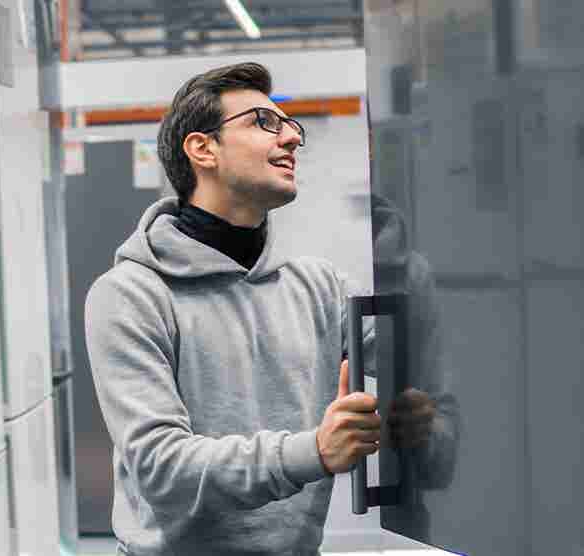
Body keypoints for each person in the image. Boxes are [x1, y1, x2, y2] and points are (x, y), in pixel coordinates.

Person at [83, 62, 454, 556]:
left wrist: (402, 258)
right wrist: (315, 451)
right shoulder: (131, 294)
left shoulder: (317, 287)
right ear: (202, 149)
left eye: (291, 127)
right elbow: (161, 467)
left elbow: (409, 362)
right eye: (264, 122)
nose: (291, 140)